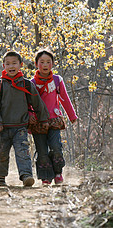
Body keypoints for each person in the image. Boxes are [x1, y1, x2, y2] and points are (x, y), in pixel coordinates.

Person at [0, 51, 49, 187]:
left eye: (14, 63)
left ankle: (26, 175)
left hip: (21, 126)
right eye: (8, 63)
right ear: (3, 66)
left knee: (23, 151)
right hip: (2, 127)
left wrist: (43, 119)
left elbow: (37, 103)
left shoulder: (26, 84)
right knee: (2, 153)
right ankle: (0, 177)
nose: (11, 66)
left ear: (20, 65)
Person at [30, 49, 77, 185]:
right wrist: (30, 116)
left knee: (56, 146)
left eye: (48, 62)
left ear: (52, 64)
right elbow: (29, 103)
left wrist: (72, 115)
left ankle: (57, 173)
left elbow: (64, 99)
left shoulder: (57, 80)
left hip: (54, 119)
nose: (45, 65)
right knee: (42, 150)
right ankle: (45, 176)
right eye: (42, 62)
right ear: (36, 64)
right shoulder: (32, 83)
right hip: (38, 121)